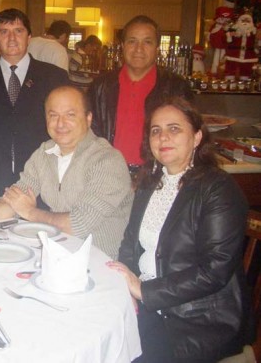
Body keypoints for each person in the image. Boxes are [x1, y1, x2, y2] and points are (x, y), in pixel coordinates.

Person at [107, 97, 250, 362]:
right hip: (148, 307)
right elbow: (130, 244)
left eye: (174, 129)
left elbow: (214, 271)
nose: (163, 137)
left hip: (195, 321)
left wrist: (143, 291)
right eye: (156, 130)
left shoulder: (218, 189)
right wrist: (127, 286)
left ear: (196, 137)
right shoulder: (150, 183)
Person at [0, 85, 133, 259]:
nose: (61, 123)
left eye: (70, 114)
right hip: (56, 256)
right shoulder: (45, 152)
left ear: (88, 118)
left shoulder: (107, 160)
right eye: (53, 115)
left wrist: (30, 212)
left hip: (98, 263)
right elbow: (14, 200)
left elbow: (78, 225)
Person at [0, 8, 69, 202]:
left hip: (43, 183)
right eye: (4, 32)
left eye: (18, 31)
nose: (11, 38)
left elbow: (69, 131)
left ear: (29, 37)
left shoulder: (55, 78)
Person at [88, 15, 193, 177]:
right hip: (108, 175)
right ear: (122, 46)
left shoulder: (176, 87)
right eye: (132, 41)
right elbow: (89, 132)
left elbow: (188, 135)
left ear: (157, 48)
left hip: (157, 175)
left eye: (147, 42)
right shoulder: (100, 86)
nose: (139, 49)